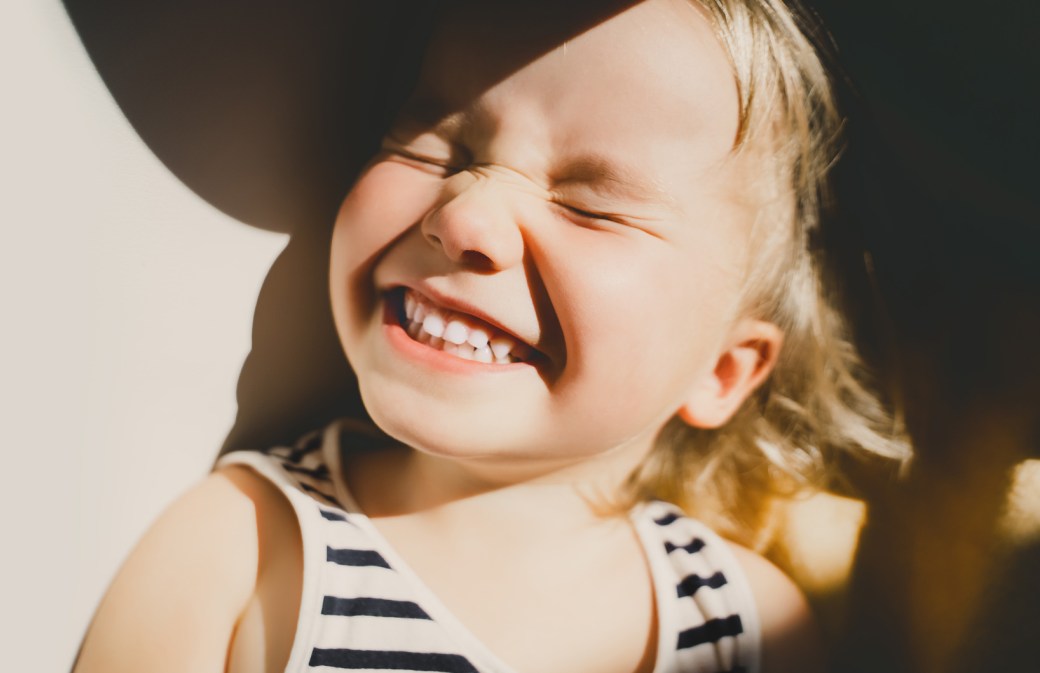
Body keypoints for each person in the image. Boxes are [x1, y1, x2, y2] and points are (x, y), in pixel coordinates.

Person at [72, 1, 907, 671]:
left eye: (591, 205)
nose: (465, 213)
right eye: (435, 146)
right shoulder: (245, 546)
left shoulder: (747, 624)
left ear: (724, 371)